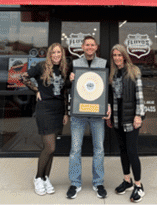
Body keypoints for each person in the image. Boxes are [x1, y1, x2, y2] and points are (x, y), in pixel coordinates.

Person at [21, 43, 71, 196]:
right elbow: (23, 77)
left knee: (52, 148)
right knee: (50, 147)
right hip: (45, 110)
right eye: (54, 52)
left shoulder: (63, 69)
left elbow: (64, 92)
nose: (56, 55)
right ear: (50, 54)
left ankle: (45, 178)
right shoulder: (41, 66)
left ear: (62, 55)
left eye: (59, 52)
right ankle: (37, 178)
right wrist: (36, 90)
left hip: (58, 110)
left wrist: (65, 113)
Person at [67, 35, 109, 199]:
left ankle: (98, 183)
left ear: (96, 47)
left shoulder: (104, 63)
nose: (90, 47)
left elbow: (108, 87)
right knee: (75, 149)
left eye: (92, 45)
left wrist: (108, 106)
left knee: (99, 149)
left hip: (97, 113)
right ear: (82, 47)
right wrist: (69, 79)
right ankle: (75, 183)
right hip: (79, 113)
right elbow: (66, 86)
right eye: (87, 45)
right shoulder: (75, 64)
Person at [107, 44, 145, 202]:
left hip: (131, 118)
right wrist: (109, 117)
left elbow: (140, 96)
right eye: (114, 55)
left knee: (132, 151)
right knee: (122, 150)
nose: (117, 58)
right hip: (117, 118)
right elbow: (111, 98)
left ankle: (138, 185)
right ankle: (127, 181)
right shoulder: (113, 74)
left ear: (124, 56)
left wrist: (139, 115)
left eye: (119, 55)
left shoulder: (134, 71)